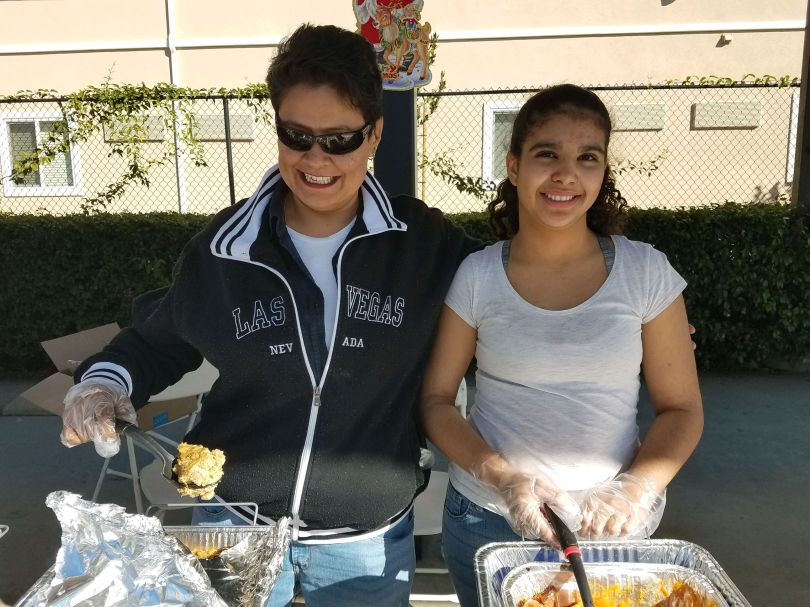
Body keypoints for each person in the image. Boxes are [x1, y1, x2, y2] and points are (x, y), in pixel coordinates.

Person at [58, 24, 480, 607]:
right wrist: (102, 386)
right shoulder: (228, 246)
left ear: (376, 134)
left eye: (340, 139)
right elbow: (158, 340)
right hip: (233, 522)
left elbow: (508, 306)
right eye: (296, 136)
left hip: (367, 538)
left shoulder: (424, 246)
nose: (316, 159)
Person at [419, 84, 704, 606]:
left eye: (587, 157)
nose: (566, 174)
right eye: (546, 154)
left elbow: (682, 408)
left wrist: (634, 491)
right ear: (514, 165)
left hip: (609, 527)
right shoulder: (478, 275)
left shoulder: (645, 272)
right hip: (488, 518)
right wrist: (505, 479)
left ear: (603, 170)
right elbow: (436, 402)